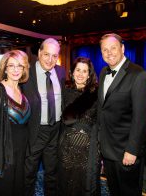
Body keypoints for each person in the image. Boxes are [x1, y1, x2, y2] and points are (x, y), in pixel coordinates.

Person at [97, 33, 146, 196]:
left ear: (122, 48)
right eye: (104, 49)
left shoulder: (139, 75)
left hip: (126, 151)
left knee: (129, 192)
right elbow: (103, 109)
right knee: (115, 191)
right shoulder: (102, 73)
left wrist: (132, 150)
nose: (109, 53)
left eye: (113, 48)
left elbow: (141, 118)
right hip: (107, 150)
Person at [0, 50, 31, 196]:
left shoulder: (20, 90)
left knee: (17, 189)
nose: (16, 70)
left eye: (20, 66)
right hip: (2, 153)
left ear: (24, 69)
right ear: (5, 68)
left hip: (20, 152)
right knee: (3, 189)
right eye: (11, 66)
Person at [22, 38, 66, 196]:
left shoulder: (61, 72)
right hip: (35, 131)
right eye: (46, 54)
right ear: (39, 53)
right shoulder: (26, 73)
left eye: (54, 56)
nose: (50, 59)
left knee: (52, 173)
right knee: (28, 173)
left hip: (56, 131)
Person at [58, 57, 100, 196]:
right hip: (66, 147)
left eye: (85, 71)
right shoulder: (64, 92)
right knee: (66, 182)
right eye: (78, 70)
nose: (81, 74)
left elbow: (99, 122)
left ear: (89, 74)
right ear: (72, 72)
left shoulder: (96, 93)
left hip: (87, 150)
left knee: (85, 184)